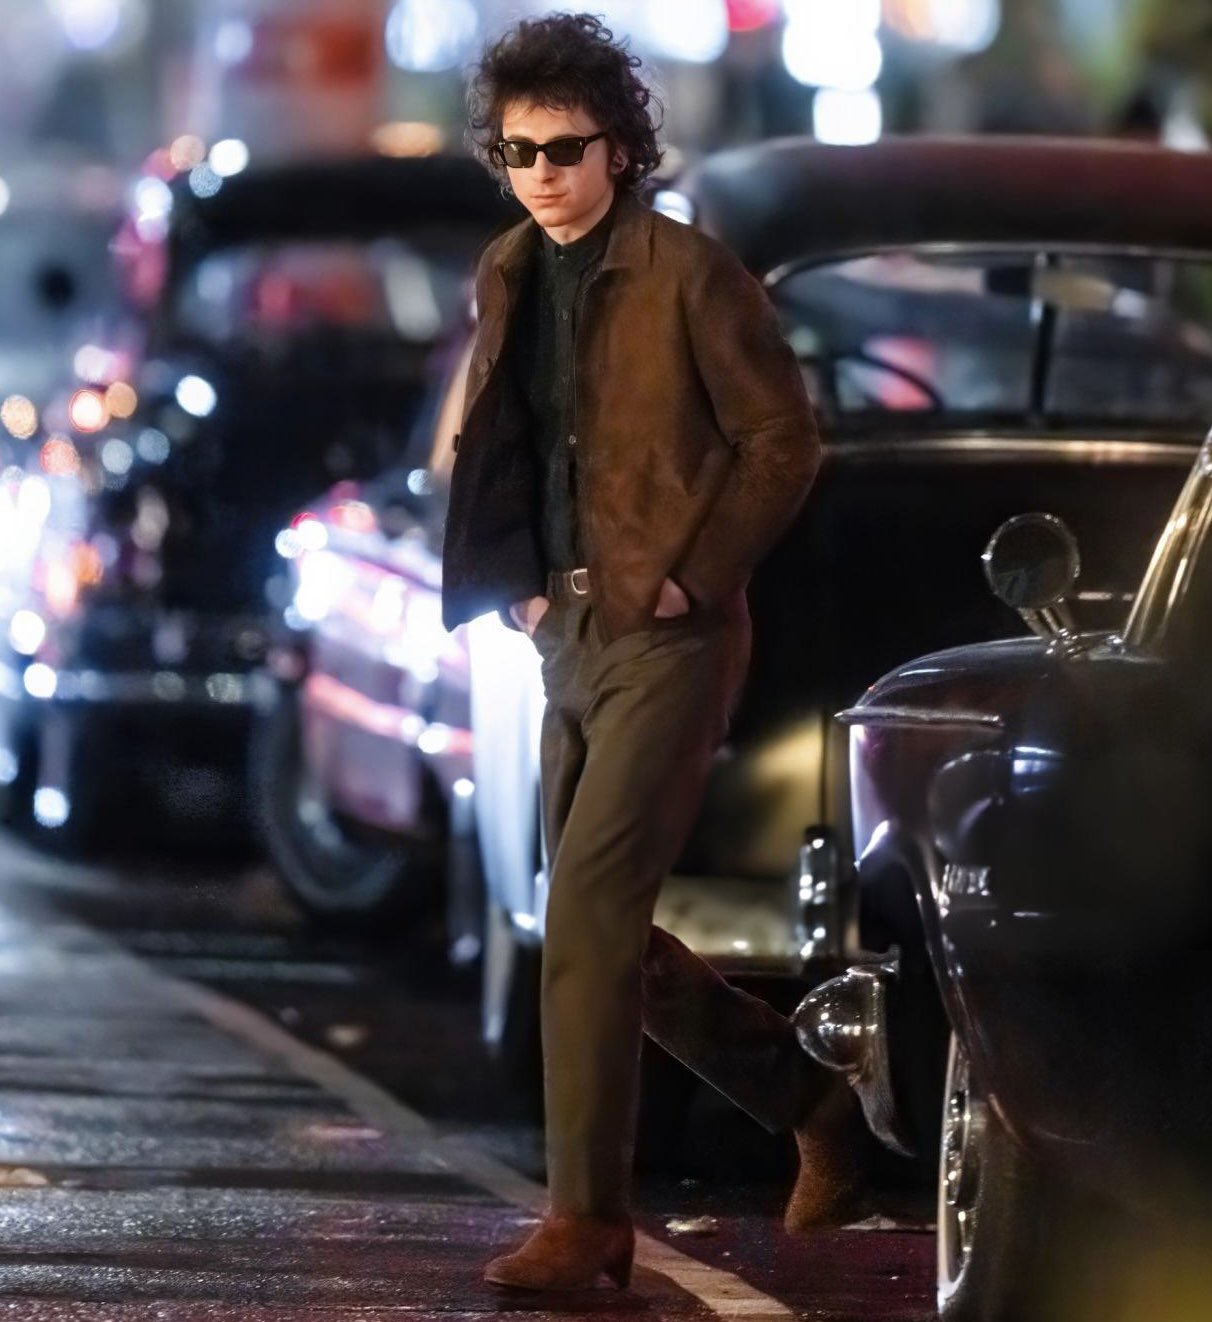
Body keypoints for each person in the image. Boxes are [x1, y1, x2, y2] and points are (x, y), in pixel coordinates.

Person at [442, 12, 855, 1294]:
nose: (542, 173)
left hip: (670, 636)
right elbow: (504, 440)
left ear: (620, 147)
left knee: (586, 911)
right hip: (563, 633)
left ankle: (587, 1221)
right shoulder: (509, 267)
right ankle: (810, 1093)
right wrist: (520, 590)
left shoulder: (690, 274)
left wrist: (693, 576)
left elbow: (783, 440)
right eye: (518, 151)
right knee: (596, 922)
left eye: (565, 148)